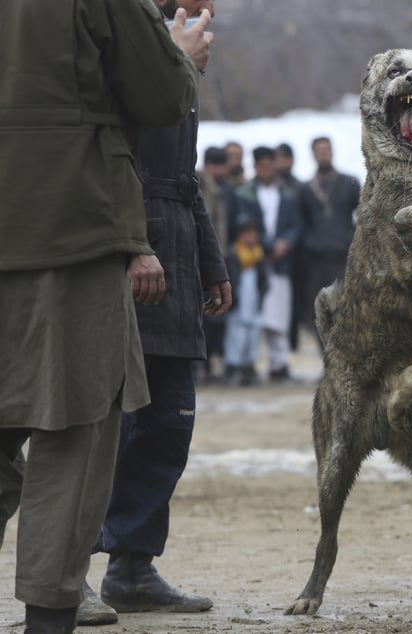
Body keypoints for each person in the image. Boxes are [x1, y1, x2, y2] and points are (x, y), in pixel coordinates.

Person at [0, 1, 203, 631]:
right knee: (76, 424)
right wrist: (182, 58)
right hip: (68, 221)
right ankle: (50, 612)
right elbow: (159, 94)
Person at [78, 0, 231, 626]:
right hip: (124, 255)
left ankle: (133, 567)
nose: (210, 10)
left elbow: (185, 179)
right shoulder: (116, 37)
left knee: (168, 425)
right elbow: (109, 161)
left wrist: (213, 263)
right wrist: (134, 244)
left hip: (178, 261)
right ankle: (71, 573)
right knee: (103, 427)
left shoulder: (178, 61)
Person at [227, 146, 301, 382]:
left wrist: (284, 244)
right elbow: (243, 225)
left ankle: (279, 363)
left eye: (270, 165)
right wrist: (268, 245)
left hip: (281, 263)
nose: (266, 169)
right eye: (261, 165)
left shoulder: (288, 193)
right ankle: (245, 363)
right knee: (249, 315)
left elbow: (296, 225)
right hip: (253, 262)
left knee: (279, 316)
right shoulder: (245, 194)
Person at [295, 136, 361, 345]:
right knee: (319, 311)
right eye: (319, 150)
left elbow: (363, 214)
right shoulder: (305, 189)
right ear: (313, 155)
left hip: (342, 257)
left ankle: (345, 360)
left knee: (345, 309)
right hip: (315, 259)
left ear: (332, 152)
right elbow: (300, 222)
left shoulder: (348, 183)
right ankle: (326, 359)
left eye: (326, 149)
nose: (323, 154)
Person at [197, 145, 231, 382]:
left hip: (214, 258)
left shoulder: (220, 188)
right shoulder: (199, 184)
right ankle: (199, 366)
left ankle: (208, 364)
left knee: (213, 317)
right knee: (201, 315)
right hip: (199, 260)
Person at [224, 215, 270, 386]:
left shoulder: (259, 254)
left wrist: (263, 292)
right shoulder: (233, 254)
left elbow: (264, 280)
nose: (251, 238)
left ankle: (249, 366)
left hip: (254, 300)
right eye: (247, 233)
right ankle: (233, 366)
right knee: (236, 334)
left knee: (253, 333)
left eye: (254, 233)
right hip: (238, 299)